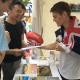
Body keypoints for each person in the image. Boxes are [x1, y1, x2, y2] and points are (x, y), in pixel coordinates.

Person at [41, 1, 80, 80]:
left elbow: (69, 48)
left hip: (73, 75)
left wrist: (65, 49)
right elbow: (56, 44)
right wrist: (41, 47)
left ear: (64, 14)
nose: (53, 20)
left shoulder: (78, 30)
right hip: (61, 70)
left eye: (55, 16)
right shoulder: (61, 30)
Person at [0, 1, 27, 80]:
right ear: (9, 11)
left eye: (22, 12)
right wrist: (12, 51)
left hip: (19, 59)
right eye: (18, 11)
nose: (21, 14)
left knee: (18, 78)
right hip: (7, 61)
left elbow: (21, 38)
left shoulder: (20, 24)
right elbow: (1, 49)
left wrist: (23, 43)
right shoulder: (3, 26)